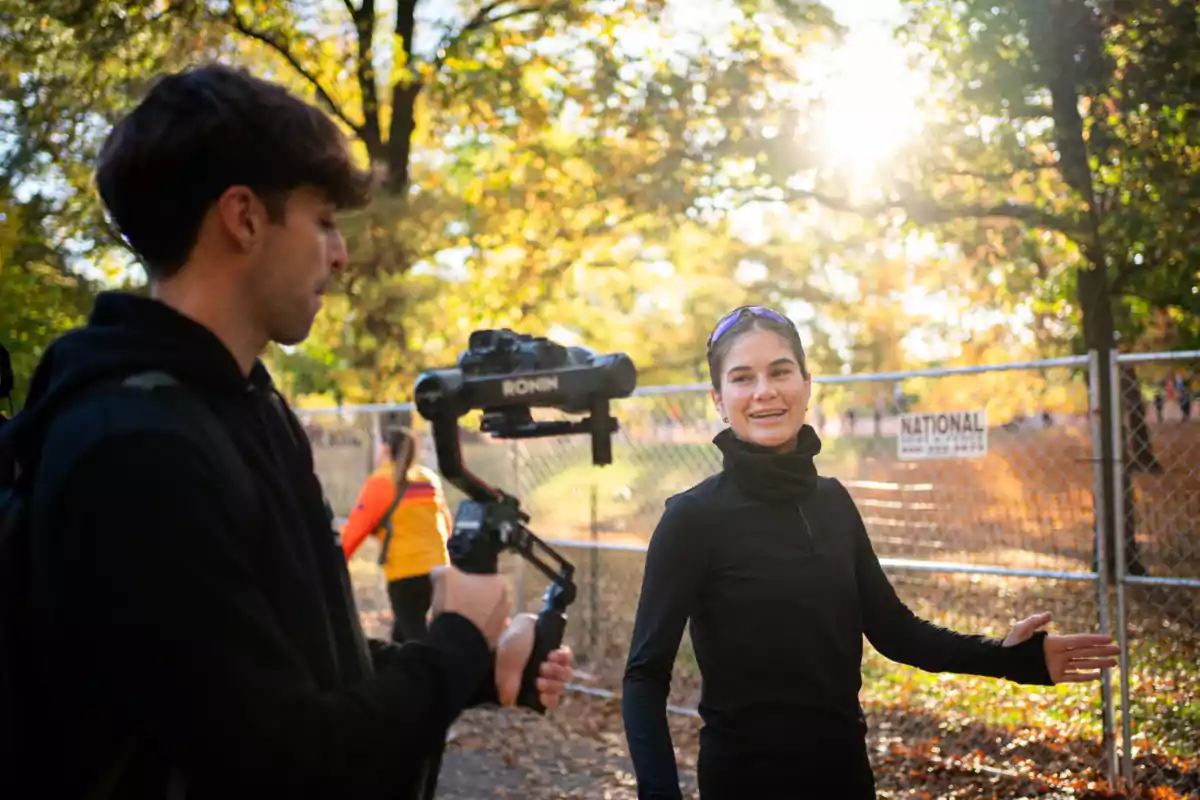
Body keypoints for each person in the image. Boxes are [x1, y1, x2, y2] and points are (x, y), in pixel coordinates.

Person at [12, 63, 571, 800]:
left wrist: (475, 665)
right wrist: (456, 642)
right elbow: (287, 761)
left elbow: (295, 670)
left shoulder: (248, 404)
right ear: (244, 217)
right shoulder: (131, 449)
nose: (339, 254)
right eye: (324, 222)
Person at [621, 305, 1119, 799]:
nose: (764, 391)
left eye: (780, 371)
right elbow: (645, 677)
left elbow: (895, 631)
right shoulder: (691, 518)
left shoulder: (832, 501)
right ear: (719, 399)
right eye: (742, 378)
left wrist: (1010, 659)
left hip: (846, 777)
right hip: (744, 781)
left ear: (807, 385)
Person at [342, 428, 451, 643]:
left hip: (405, 572)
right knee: (403, 633)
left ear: (384, 450)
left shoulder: (381, 481)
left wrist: (334, 562)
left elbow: (356, 529)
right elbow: (445, 523)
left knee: (414, 638)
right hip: (439, 569)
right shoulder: (429, 479)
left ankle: (431, 675)